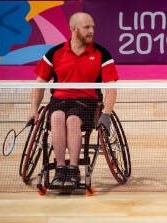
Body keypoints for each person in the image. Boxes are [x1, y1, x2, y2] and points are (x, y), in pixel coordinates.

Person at [29, 12, 119, 190]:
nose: (91, 31)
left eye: (92, 27)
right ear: (73, 29)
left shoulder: (102, 53)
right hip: (59, 101)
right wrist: (33, 109)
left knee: (72, 121)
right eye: (87, 27)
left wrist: (107, 114)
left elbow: (112, 87)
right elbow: (39, 84)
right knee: (56, 118)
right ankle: (61, 168)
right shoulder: (55, 53)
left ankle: (73, 169)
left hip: (87, 103)